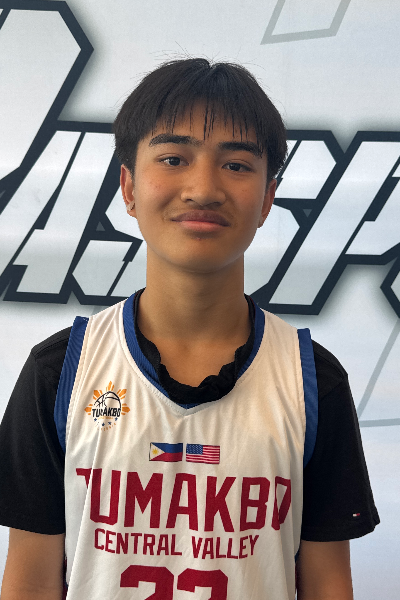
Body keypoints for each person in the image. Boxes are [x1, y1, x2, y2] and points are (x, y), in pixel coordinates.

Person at [0, 58, 379, 600]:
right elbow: (30, 581)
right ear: (129, 187)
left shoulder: (313, 381)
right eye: (174, 158)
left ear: (268, 198)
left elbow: (327, 583)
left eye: (237, 165)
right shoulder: (59, 372)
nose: (203, 188)